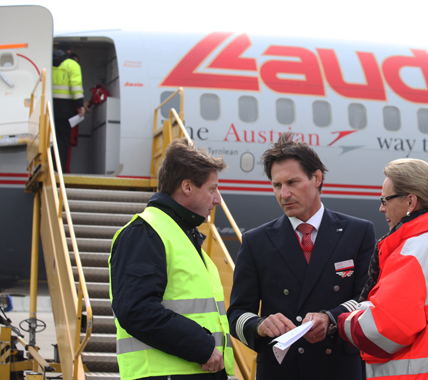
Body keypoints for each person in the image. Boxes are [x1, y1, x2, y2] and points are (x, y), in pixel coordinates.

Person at [227, 132, 376, 380]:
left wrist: (330, 319)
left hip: (338, 369)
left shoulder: (358, 232)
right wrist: (260, 325)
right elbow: (237, 314)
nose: (283, 194)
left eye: (292, 183)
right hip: (282, 371)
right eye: (277, 185)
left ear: (316, 178)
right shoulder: (256, 241)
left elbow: (367, 300)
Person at [337, 158, 428, 380]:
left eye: (385, 199)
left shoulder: (412, 251)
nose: (381, 207)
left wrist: (344, 321)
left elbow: (384, 332)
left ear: (411, 202)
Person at [109, 138, 234, 380]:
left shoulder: (180, 234)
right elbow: (136, 310)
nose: (217, 199)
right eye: (212, 189)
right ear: (187, 187)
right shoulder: (146, 232)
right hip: (166, 374)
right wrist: (202, 346)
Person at [52, 40, 84, 171]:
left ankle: (50, 168)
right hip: (66, 110)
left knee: (50, 141)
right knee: (63, 142)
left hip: (50, 109)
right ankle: (60, 170)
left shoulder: (48, 62)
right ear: (69, 51)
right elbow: (76, 87)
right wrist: (81, 106)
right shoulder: (72, 64)